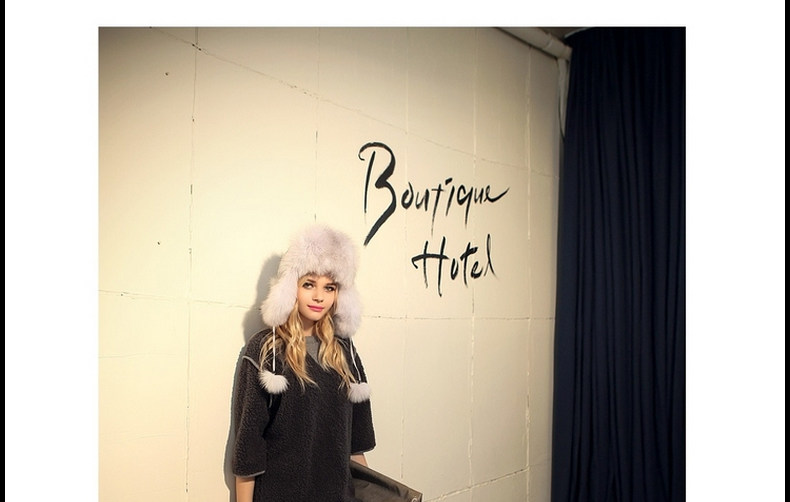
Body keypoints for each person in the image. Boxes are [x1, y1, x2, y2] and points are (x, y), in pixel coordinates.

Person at [232, 224, 375, 502]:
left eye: (329, 287)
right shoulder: (266, 350)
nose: (319, 296)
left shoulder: (344, 352)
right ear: (290, 287)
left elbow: (356, 443)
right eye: (309, 284)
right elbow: (248, 448)